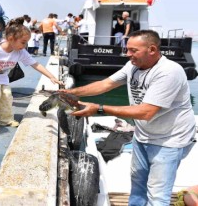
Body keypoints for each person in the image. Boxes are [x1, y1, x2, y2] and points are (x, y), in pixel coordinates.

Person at [65, 30, 196, 205]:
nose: (128, 54)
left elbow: (146, 112)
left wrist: (100, 108)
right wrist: (70, 93)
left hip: (169, 140)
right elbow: (106, 84)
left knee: (157, 194)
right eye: (127, 49)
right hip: (143, 135)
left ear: (152, 49)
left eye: (133, 50)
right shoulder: (133, 66)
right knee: (138, 184)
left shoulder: (169, 72)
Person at [0, 17, 62, 132]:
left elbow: (35, 64)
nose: (25, 46)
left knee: (6, 96)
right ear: (10, 38)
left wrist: (51, 77)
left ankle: (5, 119)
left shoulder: (20, 51)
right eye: (23, 42)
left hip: (1, 76)